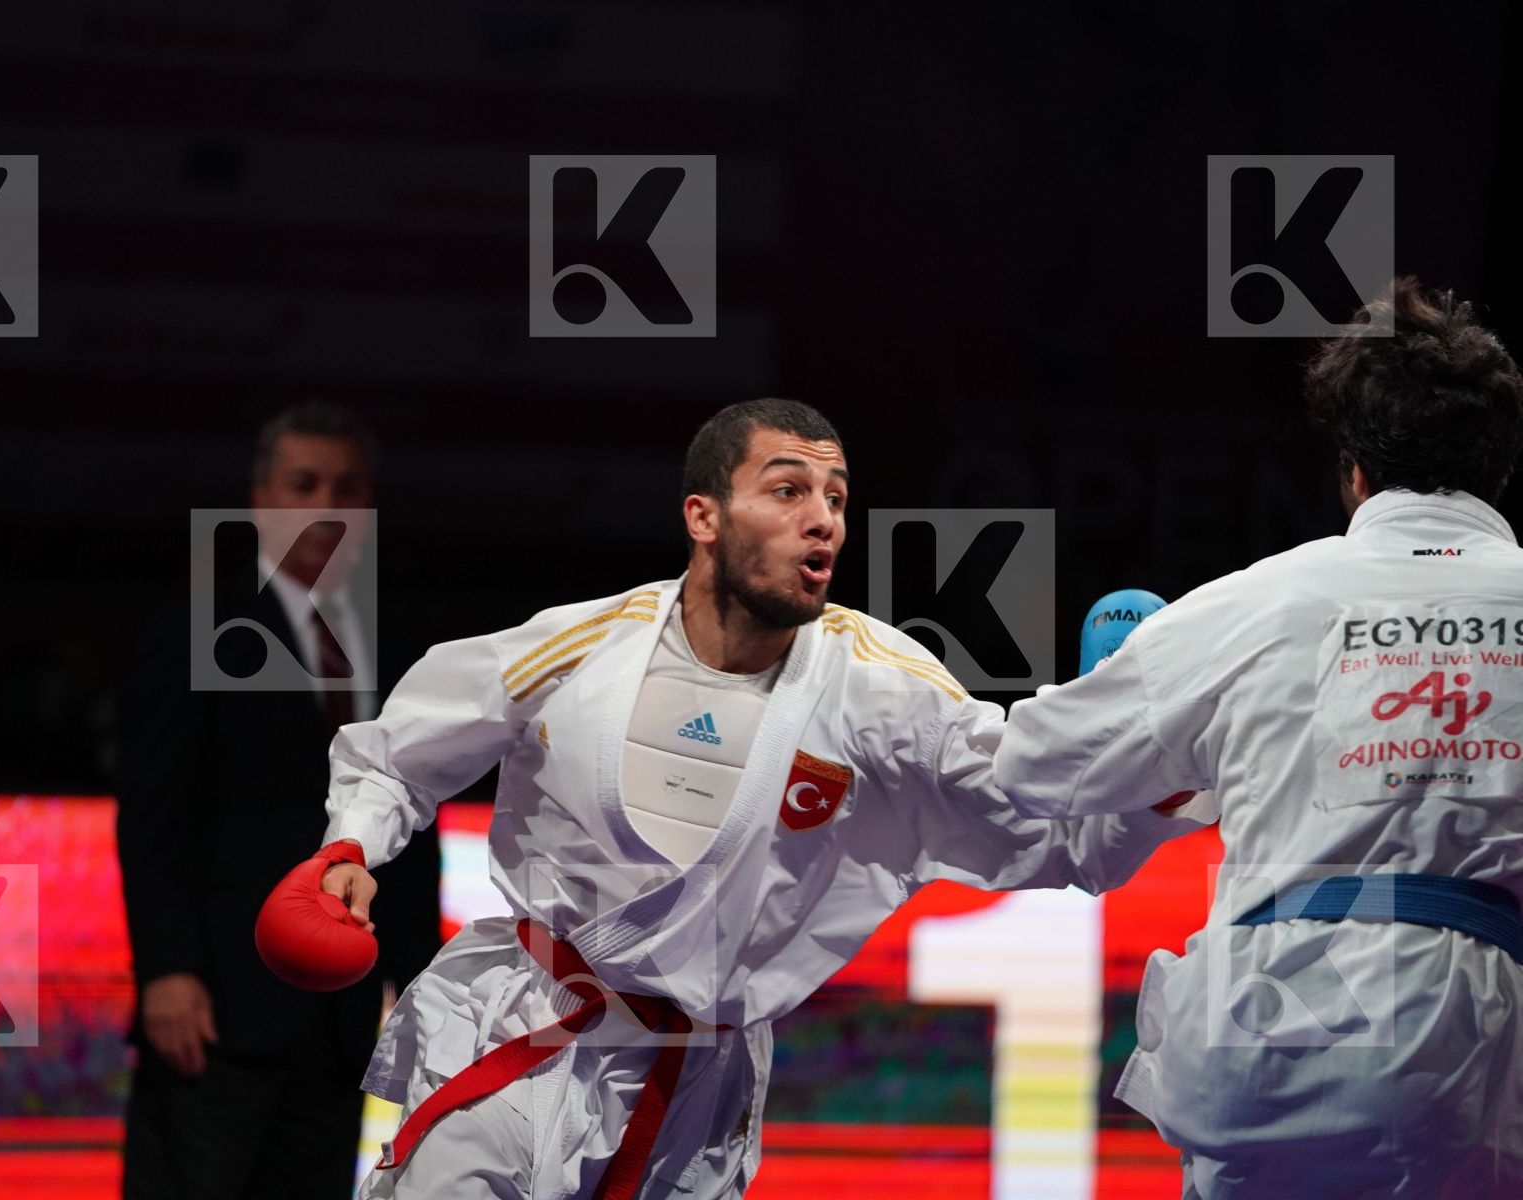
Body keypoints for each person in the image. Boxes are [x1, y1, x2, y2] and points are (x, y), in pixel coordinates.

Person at [275, 397, 1213, 1199]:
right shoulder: (579, 646)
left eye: (837, 500)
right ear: (705, 516)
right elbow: (399, 751)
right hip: (523, 1026)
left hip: (696, 1088)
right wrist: (350, 849)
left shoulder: (875, 688)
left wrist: (1149, 749)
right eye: (789, 490)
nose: (825, 521)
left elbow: (1058, 829)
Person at [993, 279, 1523, 1199]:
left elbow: (1035, 762)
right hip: (1484, 1047)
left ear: (1353, 468)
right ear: (1500, 466)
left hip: (1271, 1025)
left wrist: (1184, 770)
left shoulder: (1257, 601)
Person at [115, 400, 440, 1199]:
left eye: (346, 486)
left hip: (340, 1020)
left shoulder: (403, 648)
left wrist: (418, 983)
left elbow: (412, 829)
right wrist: (166, 969)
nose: (326, 503)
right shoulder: (197, 629)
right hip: (215, 1007)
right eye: (305, 482)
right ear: (260, 500)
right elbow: (155, 817)